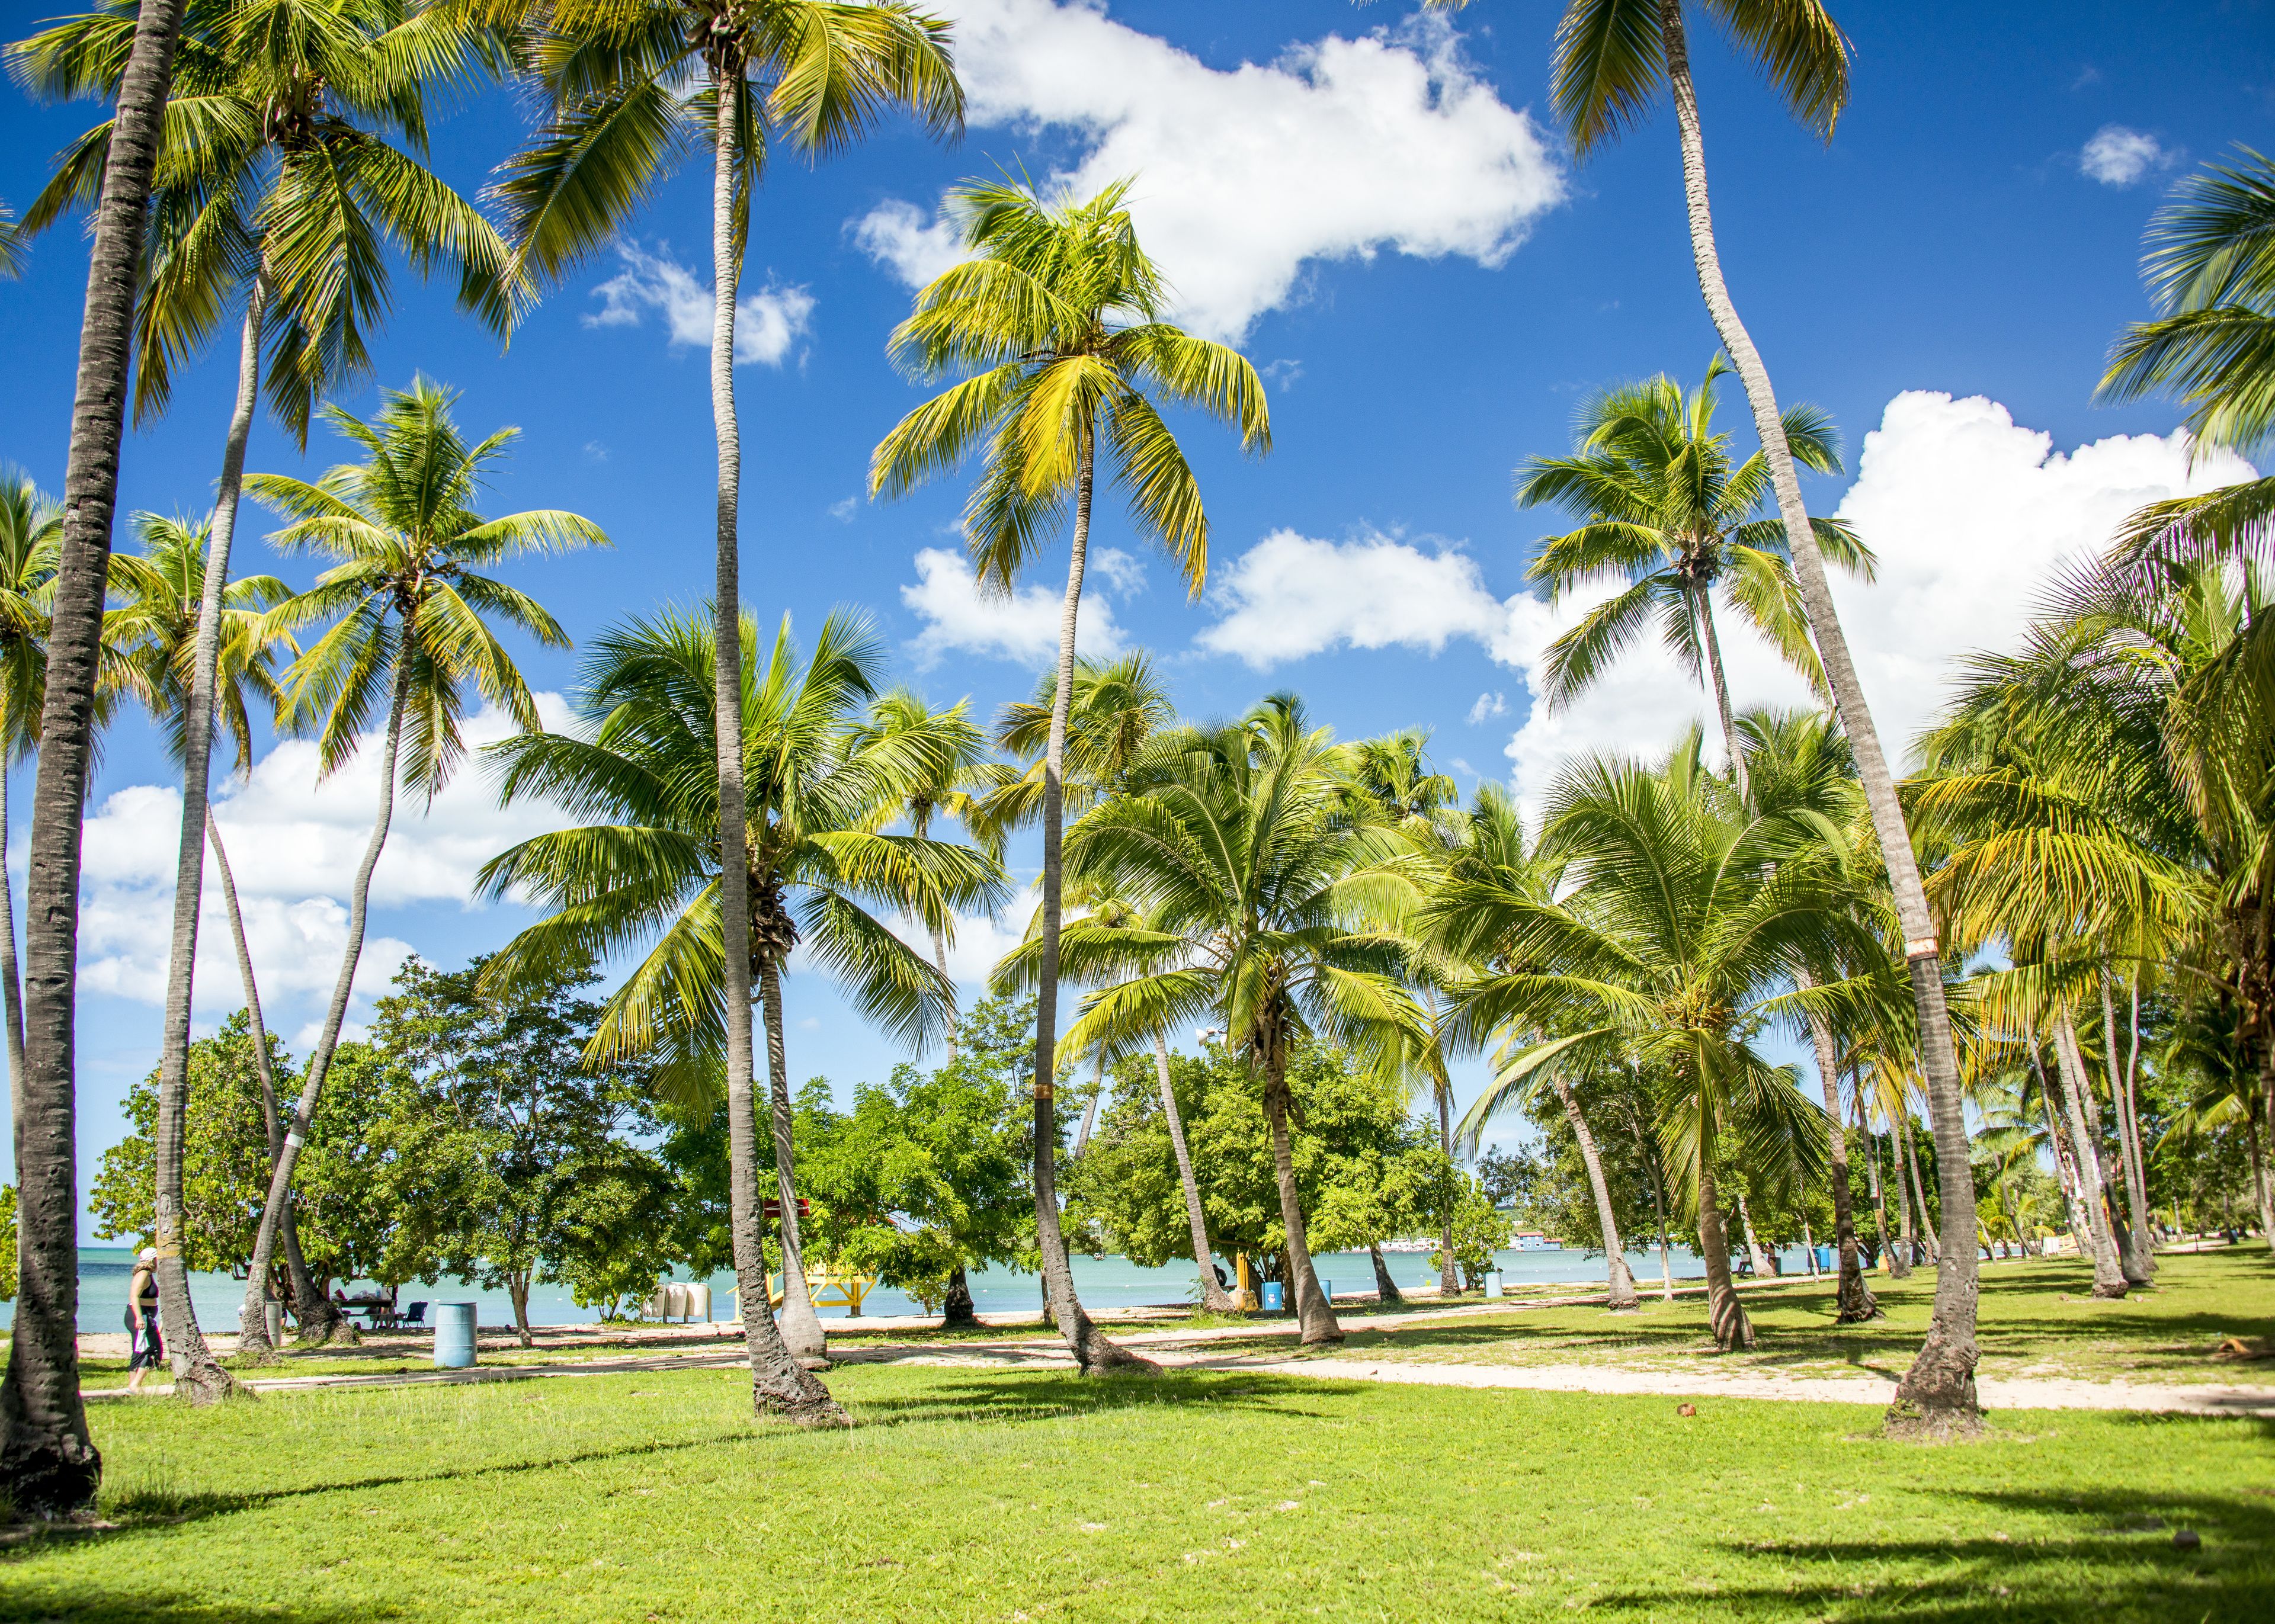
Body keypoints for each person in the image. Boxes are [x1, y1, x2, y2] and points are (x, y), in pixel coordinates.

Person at [125, 1246, 163, 1393]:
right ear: (153, 1259)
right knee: (154, 1349)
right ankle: (135, 1385)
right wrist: (140, 1318)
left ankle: (133, 1387)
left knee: (139, 1351)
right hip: (141, 1315)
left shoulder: (146, 1273)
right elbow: (134, 1296)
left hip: (143, 1315)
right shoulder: (144, 1274)